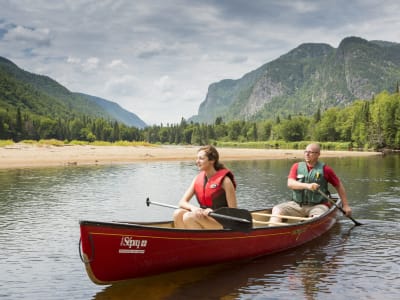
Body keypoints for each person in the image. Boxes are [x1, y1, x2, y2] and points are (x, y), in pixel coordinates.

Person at [270, 143, 352, 224]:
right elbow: (290, 183)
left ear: (318, 154)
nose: (307, 154)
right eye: (305, 151)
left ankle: (307, 227)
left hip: (318, 206)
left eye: (310, 152)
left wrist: (346, 205)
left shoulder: (326, 169)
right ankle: (272, 230)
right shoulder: (296, 166)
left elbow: (338, 185)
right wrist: (308, 186)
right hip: (296, 205)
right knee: (277, 209)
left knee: (315, 219)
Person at [173, 145, 237, 229]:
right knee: (178, 213)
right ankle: (184, 240)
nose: (197, 161)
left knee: (188, 217)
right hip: (206, 219)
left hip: (223, 222)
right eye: (197, 158)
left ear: (212, 160)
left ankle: (197, 241)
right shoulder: (197, 179)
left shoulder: (225, 181)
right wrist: (194, 208)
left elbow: (234, 212)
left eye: (201, 158)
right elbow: (182, 202)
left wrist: (214, 212)